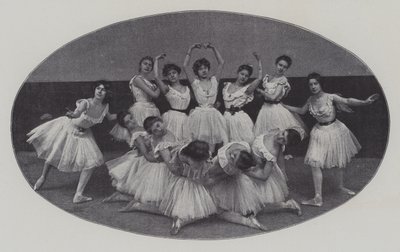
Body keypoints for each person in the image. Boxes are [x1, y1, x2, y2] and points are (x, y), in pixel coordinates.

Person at [283, 72, 379, 207]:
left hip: (336, 131)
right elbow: (301, 110)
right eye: (310, 84)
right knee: (315, 163)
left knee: (339, 161)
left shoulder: (330, 97)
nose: (313, 86)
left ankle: (340, 186)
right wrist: (284, 106)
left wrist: (365, 102)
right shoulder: (310, 100)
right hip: (319, 133)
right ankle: (318, 198)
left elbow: (347, 101)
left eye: (315, 83)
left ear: (320, 84)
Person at [27, 81, 117, 203]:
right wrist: (72, 114)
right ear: (94, 90)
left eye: (103, 90)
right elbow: (76, 113)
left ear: (107, 93)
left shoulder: (105, 106)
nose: (100, 91)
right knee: (55, 152)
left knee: (91, 162)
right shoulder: (86, 103)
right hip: (69, 128)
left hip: (84, 133)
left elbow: (110, 117)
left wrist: (127, 113)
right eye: (98, 88)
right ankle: (43, 177)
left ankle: (78, 195)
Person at [207, 142, 267, 231]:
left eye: (233, 159)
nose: (231, 156)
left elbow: (212, 174)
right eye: (235, 155)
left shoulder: (225, 164)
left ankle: (248, 221)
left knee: (220, 210)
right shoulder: (245, 146)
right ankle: (249, 217)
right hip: (232, 176)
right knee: (241, 205)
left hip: (227, 180)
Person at [183, 42, 228, 154]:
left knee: (213, 143)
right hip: (199, 115)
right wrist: (190, 48)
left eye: (205, 68)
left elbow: (221, 63)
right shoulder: (195, 83)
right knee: (199, 142)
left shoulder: (214, 80)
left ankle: (210, 161)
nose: (204, 70)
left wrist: (213, 48)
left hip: (213, 115)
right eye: (200, 69)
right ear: (196, 72)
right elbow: (185, 66)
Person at [247, 128, 303, 215]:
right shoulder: (274, 131)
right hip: (251, 162)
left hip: (260, 171)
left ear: (285, 144)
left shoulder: (273, 152)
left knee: (260, 201)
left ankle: (288, 205)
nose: (280, 137)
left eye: (283, 141)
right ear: (284, 130)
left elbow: (264, 176)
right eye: (283, 133)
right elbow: (280, 154)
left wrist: (246, 172)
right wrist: (282, 170)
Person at [102, 111, 150, 203]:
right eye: (128, 122)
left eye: (131, 118)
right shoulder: (136, 133)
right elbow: (144, 150)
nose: (132, 121)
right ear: (125, 126)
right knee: (140, 185)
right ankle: (123, 196)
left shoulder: (139, 128)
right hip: (143, 157)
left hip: (141, 154)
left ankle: (122, 196)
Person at [110, 56, 160, 141]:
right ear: (140, 65)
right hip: (140, 108)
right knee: (142, 134)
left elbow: (154, 92)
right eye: (145, 64)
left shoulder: (150, 82)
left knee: (152, 135)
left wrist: (157, 61)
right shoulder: (137, 79)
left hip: (151, 107)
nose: (147, 66)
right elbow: (155, 95)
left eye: (150, 65)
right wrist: (160, 86)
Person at [254, 55, 306, 137]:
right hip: (265, 108)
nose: (281, 68)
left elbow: (273, 97)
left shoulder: (283, 80)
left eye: (284, 67)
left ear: (287, 69)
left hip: (275, 109)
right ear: (276, 64)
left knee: (278, 133)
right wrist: (259, 94)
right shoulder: (267, 77)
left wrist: (260, 91)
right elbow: (266, 94)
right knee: (264, 134)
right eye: (280, 65)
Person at [222, 52, 262, 143]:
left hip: (239, 119)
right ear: (238, 73)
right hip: (226, 117)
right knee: (226, 142)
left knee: (242, 142)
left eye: (246, 76)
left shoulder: (246, 90)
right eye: (242, 74)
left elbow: (259, 78)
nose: (243, 77)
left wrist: (259, 61)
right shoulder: (226, 85)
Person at [154, 53, 191, 141]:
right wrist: (156, 60)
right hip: (172, 118)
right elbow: (156, 77)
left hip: (185, 118)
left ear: (179, 74)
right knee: (171, 141)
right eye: (169, 74)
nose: (172, 75)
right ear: (167, 77)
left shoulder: (188, 88)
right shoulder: (167, 89)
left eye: (174, 73)